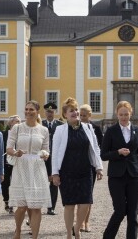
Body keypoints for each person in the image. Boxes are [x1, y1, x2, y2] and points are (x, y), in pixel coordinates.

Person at [52, 97, 103, 239]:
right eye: (71, 111)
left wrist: (98, 167)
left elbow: (95, 148)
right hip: (67, 172)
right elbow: (55, 152)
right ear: (65, 114)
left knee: (86, 202)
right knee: (69, 205)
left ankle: (77, 226)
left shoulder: (88, 127)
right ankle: (69, 233)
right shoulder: (60, 130)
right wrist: (55, 173)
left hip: (85, 171)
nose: (75, 112)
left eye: (76, 110)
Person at [101, 101, 138, 239]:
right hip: (116, 177)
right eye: (121, 114)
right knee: (120, 210)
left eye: (126, 114)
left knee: (133, 214)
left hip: (134, 176)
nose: (123, 117)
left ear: (131, 114)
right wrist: (117, 152)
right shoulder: (111, 131)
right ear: (117, 114)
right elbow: (103, 155)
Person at [7, 100, 51, 239]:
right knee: (22, 206)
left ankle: (35, 237)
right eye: (26, 109)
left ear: (37, 112)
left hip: (37, 168)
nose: (28, 112)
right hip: (21, 167)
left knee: (36, 206)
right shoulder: (17, 128)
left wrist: (45, 154)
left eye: (31, 109)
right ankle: (18, 230)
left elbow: (46, 150)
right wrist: (15, 152)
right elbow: (8, 149)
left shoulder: (44, 130)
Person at [79, 104, 104, 232]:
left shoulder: (95, 128)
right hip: (77, 165)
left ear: (90, 115)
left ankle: (86, 221)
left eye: (84, 115)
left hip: (90, 166)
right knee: (78, 195)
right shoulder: (75, 127)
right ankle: (79, 222)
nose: (82, 118)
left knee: (88, 195)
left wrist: (98, 166)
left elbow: (98, 148)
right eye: (80, 115)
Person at [42, 102, 63, 215]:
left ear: (55, 112)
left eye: (51, 111)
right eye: (48, 111)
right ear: (45, 112)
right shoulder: (40, 124)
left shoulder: (60, 125)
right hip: (43, 158)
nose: (49, 113)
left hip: (55, 157)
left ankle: (51, 207)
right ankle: (39, 205)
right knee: (42, 181)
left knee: (54, 182)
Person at [2, 115, 21, 214]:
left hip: (17, 162)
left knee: (16, 183)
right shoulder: (4, 134)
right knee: (5, 183)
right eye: (16, 121)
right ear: (10, 123)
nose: (18, 123)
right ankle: (7, 201)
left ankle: (14, 204)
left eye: (19, 122)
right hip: (6, 161)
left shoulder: (22, 135)